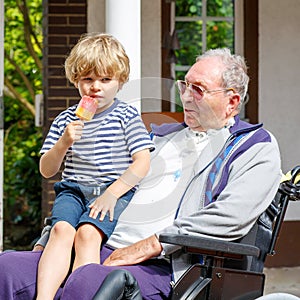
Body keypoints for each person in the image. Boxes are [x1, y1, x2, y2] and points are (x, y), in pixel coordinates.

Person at [0, 48, 282, 300]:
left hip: (162, 265)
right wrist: (49, 237)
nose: (185, 96)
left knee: (88, 280)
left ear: (232, 102)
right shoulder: (156, 139)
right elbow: (92, 185)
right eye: (184, 85)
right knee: (7, 268)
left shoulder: (254, 146)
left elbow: (231, 215)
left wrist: (150, 245)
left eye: (198, 89)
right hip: (95, 241)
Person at [35, 33, 154, 300]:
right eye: (87, 79)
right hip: (73, 190)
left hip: (111, 190)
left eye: (105, 79)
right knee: (60, 230)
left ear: (120, 82)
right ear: (76, 80)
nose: (95, 87)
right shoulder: (66, 119)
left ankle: (78, 295)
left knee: (88, 234)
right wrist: (64, 142)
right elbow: (47, 169)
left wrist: (112, 193)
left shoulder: (126, 116)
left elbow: (142, 162)